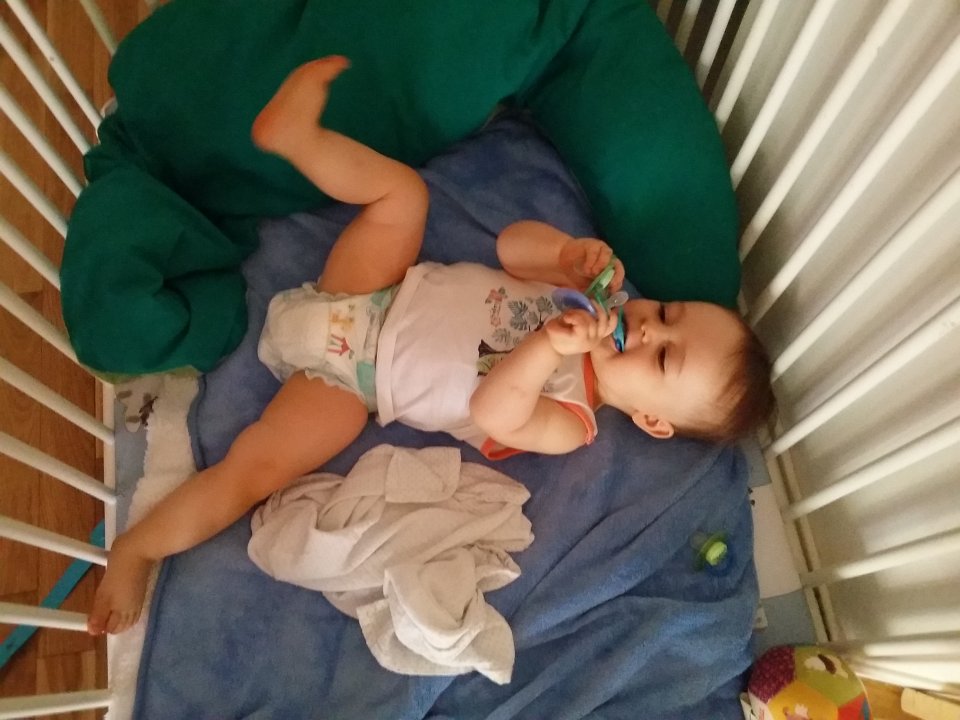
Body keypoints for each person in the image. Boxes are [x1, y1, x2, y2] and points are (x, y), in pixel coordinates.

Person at [87, 56, 774, 635]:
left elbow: (496, 410)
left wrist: (549, 347)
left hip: (351, 384)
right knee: (402, 196)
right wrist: (566, 255)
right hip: (375, 289)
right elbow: (512, 248)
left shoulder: (573, 422)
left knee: (254, 469)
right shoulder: (596, 294)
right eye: (669, 313)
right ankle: (296, 137)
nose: (649, 328)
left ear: (652, 420)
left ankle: (139, 547)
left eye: (663, 357)